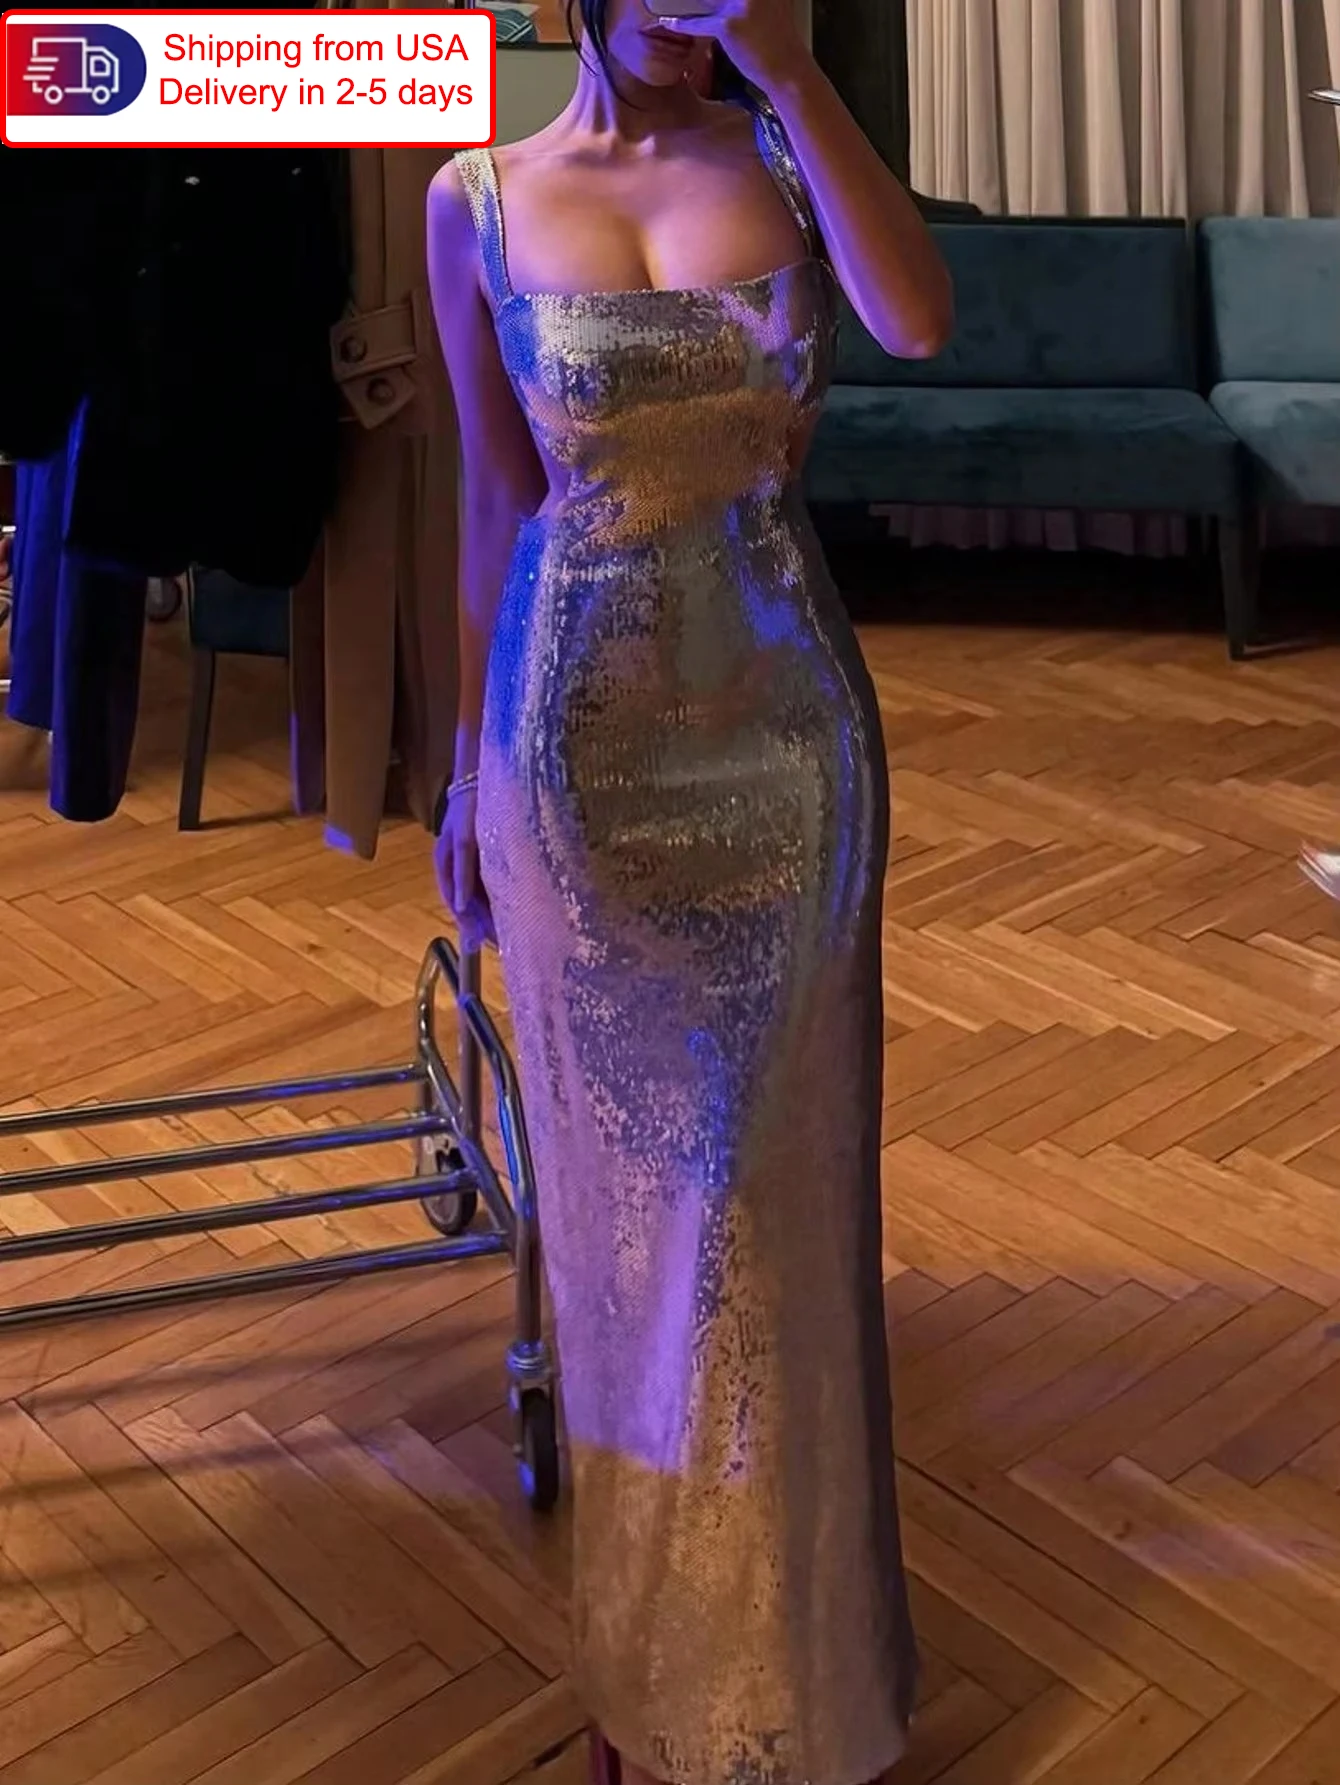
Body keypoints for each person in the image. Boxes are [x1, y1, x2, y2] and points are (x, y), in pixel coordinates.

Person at [426, 5, 953, 1784]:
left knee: (775, 1221)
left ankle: (811, 1694)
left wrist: (794, 74)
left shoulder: (786, 150)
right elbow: (495, 505)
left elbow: (917, 319)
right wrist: (465, 772)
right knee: (620, 1239)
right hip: (573, 753)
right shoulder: (476, 199)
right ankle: (654, 1693)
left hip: (790, 749)